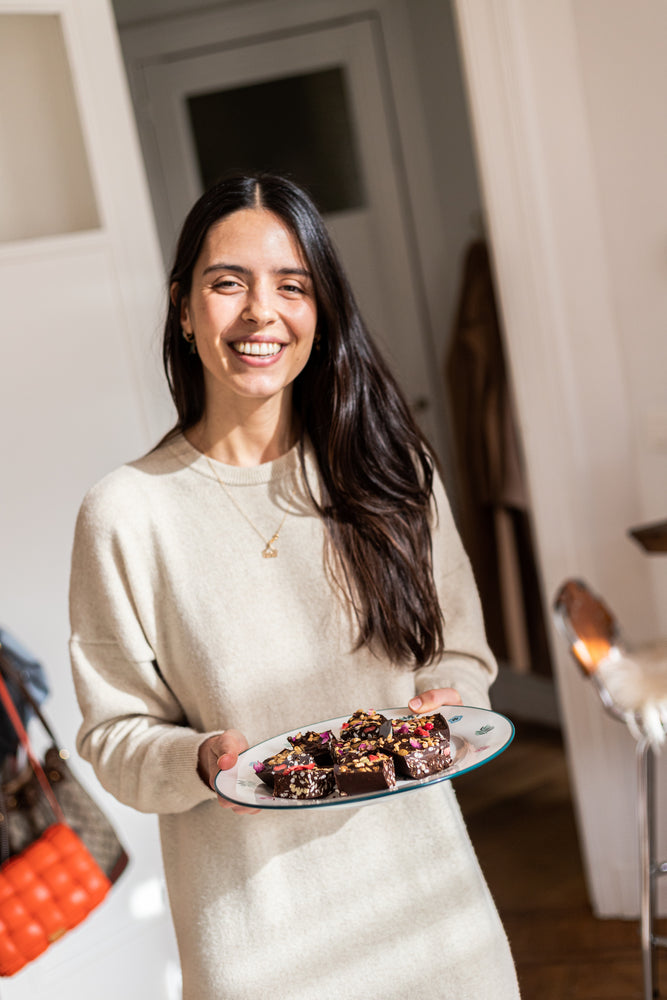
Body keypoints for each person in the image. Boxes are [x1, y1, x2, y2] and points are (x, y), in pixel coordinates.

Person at [69, 173, 520, 999]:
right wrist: (199, 760)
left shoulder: (392, 473)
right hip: (256, 940)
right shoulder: (126, 513)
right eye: (227, 283)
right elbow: (115, 734)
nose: (260, 312)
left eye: (292, 285)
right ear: (182, 308)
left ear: (322, 309)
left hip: (432, 912)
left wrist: (445, 699)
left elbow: (457, 650)